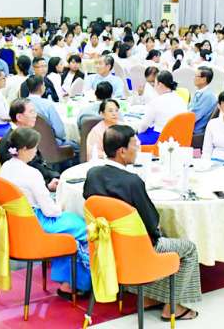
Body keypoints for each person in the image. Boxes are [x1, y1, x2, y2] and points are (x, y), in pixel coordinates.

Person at [83, 125, 202, 321]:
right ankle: (173, 306)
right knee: (188, 249)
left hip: (106, 244)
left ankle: (149, 296)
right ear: (122, 151)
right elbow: (152, 222)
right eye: (134, 144)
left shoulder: (93, 174)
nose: (137, 148)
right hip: (137, 250)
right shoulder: (132, 181)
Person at [0, 127, 91, 298]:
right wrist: (60, 205)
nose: (36, 152)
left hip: (15, 224)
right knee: (81, 226)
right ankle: (76, 282)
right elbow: (50, 211)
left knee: (70, 226)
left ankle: (68, 281)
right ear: (25, 149)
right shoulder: (31, 173)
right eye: (35, 148)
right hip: (36, 223)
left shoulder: (6, 167)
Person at [0, 99, 62, 184]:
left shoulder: (24, 134)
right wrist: (49, 183)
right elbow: (20, 175)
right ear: (19, 117)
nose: (35, 115)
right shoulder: (9, 143)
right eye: (31, 112)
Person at [127, 71, 185, 144]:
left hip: (161, 138)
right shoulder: (181, 100)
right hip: (179, 137)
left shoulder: (156, 102)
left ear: (159, 84)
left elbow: (144, 125)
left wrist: (137, 132)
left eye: (154, 83)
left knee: (130, 140)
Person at [187, 67, 218, 139]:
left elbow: (193, 116)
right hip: (190, 127)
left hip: (194, 131)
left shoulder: (208, 96)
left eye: (196, 76)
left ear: (204, 79)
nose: (194, 78)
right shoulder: (200, 92)